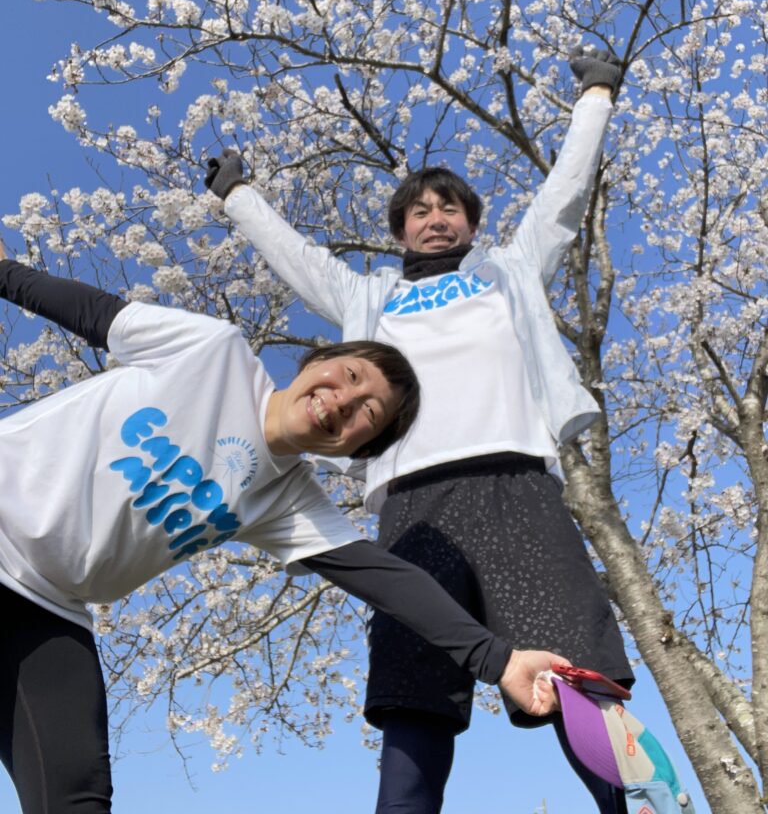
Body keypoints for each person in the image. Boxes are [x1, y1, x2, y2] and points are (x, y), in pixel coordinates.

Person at [204, 46, 634, 813]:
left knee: (575, 673)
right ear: (401, 229)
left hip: (515, 488)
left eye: (450, 209)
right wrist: (237, 194)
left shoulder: (509, 271)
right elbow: (294, 257)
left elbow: (566, 193)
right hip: (411, 504)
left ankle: (629, 805)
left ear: (471, 222)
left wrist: (597, 94)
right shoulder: (367, 299)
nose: (436, 220)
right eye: (419, 212)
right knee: (412, 691)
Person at [0, 244, 567, 814]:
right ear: (317, 361)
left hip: (47, 607)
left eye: (368, 414)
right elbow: (96, 314)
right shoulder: (211, 351)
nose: (343, 401)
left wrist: (502, 661)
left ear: (357, 448)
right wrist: (4, 273)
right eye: (349, 375)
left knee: (75, 797)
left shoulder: (288, 503)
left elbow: (391, 581)